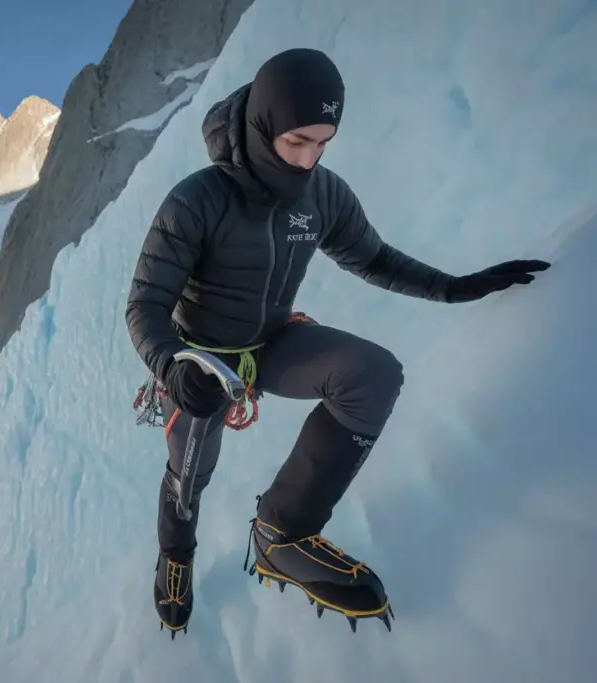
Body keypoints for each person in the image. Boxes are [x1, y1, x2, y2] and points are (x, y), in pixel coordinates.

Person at [124, 47, 549, 636]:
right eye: (297, 140)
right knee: (188, 475)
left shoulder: (321, 195)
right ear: (264, 123)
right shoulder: (198, 200)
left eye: (323, 142)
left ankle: (282, 531)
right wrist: (172, 367)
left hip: (273, 343)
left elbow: (373, 257)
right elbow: (144, 305)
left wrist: (457, 288)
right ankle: (177, 554)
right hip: (201, 362)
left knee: (372, 375)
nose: (309, 158)